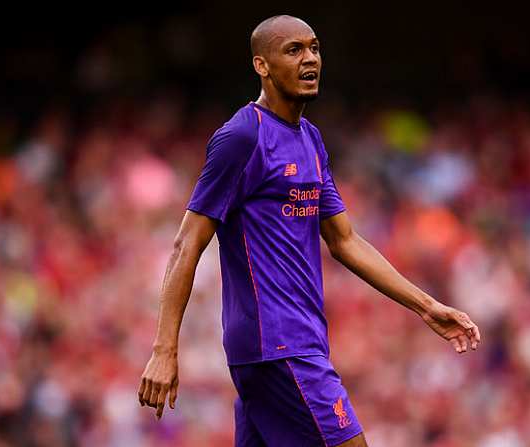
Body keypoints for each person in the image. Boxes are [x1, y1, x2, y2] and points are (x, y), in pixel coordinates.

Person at [136, 15, 481, 447]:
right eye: (293, 50)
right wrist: (165, 347)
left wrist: (427, 306)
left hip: (289, 346)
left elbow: (345, 240)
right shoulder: (243, 137)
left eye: (314, 48)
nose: (309, 59)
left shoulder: (310, 139)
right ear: (262, 66)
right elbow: (187, 242)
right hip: (279, 346)